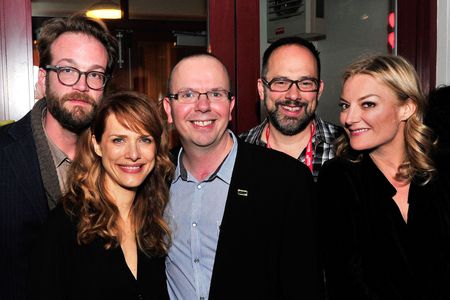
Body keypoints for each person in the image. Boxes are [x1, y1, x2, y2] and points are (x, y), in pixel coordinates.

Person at [163, 53, 323, 299]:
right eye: (187, 94)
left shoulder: (286, 180)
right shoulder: (154, 179)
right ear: (169, 109)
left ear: (231, 106)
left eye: (216, 94)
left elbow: (304, 285)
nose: (203, 106)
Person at [0, 13, 118, 300]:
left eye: (94, 74)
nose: (81, 85)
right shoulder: (4, 154)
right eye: (67, 70)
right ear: (43, 79)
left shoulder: (122, 161)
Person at [318, 54, 450, 299]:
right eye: (345, 106)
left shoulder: (437, 174)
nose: (349, 118)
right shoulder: (339, 178)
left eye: (367, 104)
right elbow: (346, 282)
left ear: (406, 108)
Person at [29, 91, 174, 299]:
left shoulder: (155, 220)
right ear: (97, 145)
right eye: (118, 140)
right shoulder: (64, 226)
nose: (133, 154)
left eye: (144, 139)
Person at [239, 36, 341, 180]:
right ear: (262, 89)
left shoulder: (346, 150)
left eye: (306, 83)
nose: (293, 95)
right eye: (280, 82)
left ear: (319, 90)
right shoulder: (237, 152)